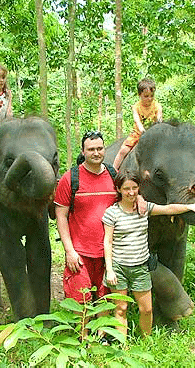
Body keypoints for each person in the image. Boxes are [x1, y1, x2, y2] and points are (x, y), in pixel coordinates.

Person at [103, 170, 195, 339]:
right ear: (119, 190)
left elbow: (167, 209)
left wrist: (190, 206)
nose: (131, 192)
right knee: (121, 309)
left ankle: (146, 342)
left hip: (140, 268)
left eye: (134, 188)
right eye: (126, 188)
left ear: (139, 189)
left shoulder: (144, 209)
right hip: (119, 267)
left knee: (146, 309)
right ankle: (123, 346)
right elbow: (108, 242)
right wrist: (110, 270)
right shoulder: (111, 213)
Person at [54, 131, 117, 307]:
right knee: (80, 302)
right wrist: (69, 251)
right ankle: (82, 335)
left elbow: (128, 198)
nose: (96, 153)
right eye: (91, 149)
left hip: (108, 254)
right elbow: (61, 215)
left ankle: (103, 335)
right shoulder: (70, 179)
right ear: (83, 151)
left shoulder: (114, 175)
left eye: (99, 148)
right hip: (80, 254)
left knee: (105, 302)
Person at [112, 78, 163, 170]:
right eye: (146, 96)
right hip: (138, 134)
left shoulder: (157, 106)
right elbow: (137, 121)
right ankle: (113, 170)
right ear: (140, 95)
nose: (149, 98)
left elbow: (159, 119)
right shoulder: (136, 107)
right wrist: (143, 131)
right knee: (123, 150)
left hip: (153, 134)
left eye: (152, 96)